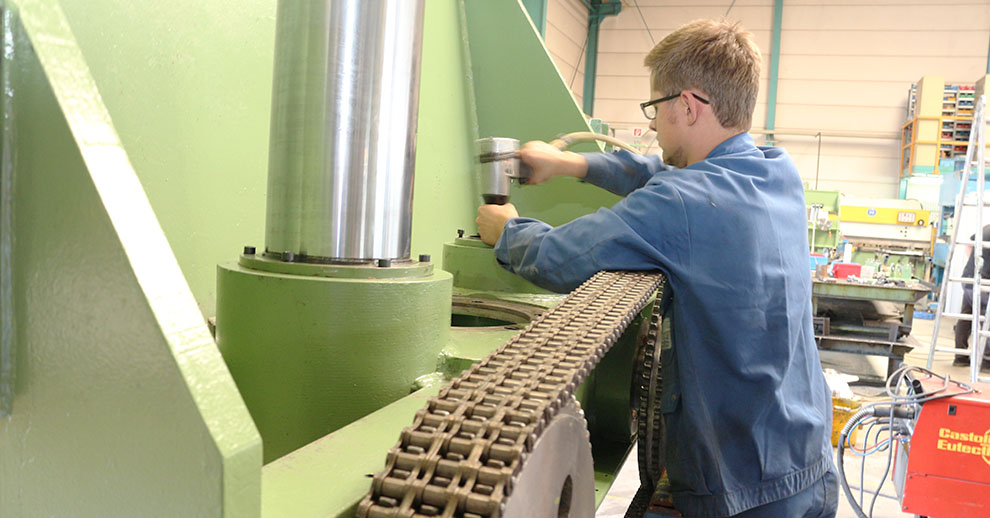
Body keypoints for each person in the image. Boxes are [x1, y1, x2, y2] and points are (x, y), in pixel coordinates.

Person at [476, 20, 837, 518]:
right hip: (810, 464)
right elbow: (664, 173)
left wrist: (508, 232)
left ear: (687, 105)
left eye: (655, 107)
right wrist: (574, 165)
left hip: (742, 489)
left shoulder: (681, 203)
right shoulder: (778, 170)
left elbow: (562, 257)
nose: (650, 125)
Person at [953, 225, 990, 370]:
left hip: (969, 279)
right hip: (983, 283)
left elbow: (969, 244)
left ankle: (960, 357)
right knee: (987, 321)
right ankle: (986, 361)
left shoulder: (986, 228)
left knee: (966, 317)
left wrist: (976, 265)